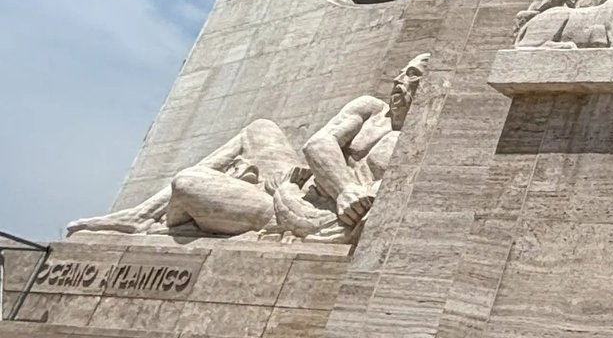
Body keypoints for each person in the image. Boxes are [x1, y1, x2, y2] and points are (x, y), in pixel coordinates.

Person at [67, 56, 430, 243]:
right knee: (260, 129)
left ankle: (175, 217)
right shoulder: (370, 109)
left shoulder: (421, 139)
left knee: (189, 182)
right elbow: (318, 143)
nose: (402, 82)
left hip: (293, 211)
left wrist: (309, 196)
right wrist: (343, 187)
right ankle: (140, 215)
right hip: (302, 185)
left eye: (415, 77)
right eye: (404, 72)